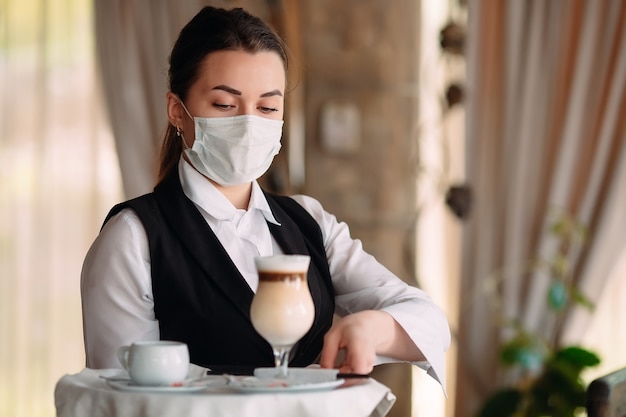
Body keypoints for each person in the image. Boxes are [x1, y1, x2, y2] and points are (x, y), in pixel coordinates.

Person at [81, 5, 450, 389]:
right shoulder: (134, 238)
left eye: (268, 107)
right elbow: (120, 396)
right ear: (177, 110)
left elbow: (429, 320)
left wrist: (372, 328)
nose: (248, 124)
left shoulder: (308, 221)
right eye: (225, 104)